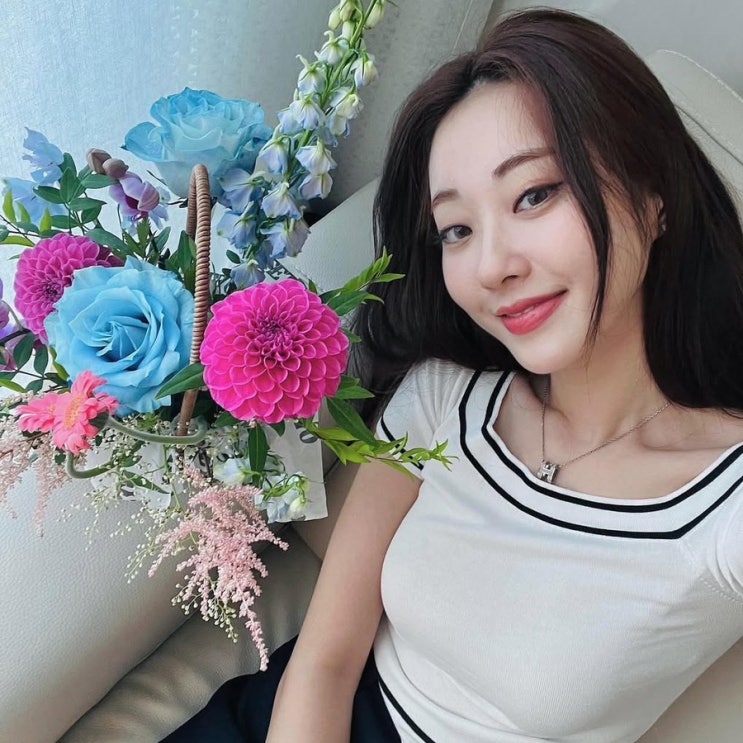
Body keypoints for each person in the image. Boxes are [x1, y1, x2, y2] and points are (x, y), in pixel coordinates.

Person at [163, 8, 743, 742]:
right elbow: (327, 659)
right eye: (457, 230)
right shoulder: (444, 393)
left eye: (535, 194)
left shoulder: (723, 506)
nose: (492, 266)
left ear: (653, 196)